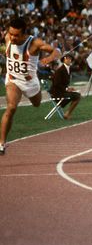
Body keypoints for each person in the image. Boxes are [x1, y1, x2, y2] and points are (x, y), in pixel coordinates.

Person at [1, 17, 61, 155]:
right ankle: (1, 143)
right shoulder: (7, 38)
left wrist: (48, 59)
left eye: (16, 35)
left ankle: (36, 90)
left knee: (37, 103)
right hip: (13, 80)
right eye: (11, 34)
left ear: (24, 34)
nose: (13, 37)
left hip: (30, 82)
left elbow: (56, 51)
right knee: (11, 107)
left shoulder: (34, 43)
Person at [50, 53, 81, 119]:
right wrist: (66, 89)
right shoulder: (60, 70)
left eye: (70, 58)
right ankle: (67, 114)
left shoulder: (68, 69)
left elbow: (80, 68)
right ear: (63, 60)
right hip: (57, 93)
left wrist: (69, 88)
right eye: (66, 58)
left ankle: (67, 113)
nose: (68, 60)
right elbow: (56, 84)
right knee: (77, 96)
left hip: (61, 91)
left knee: (78, 95)